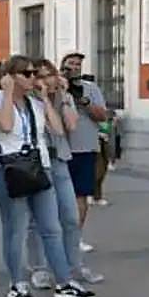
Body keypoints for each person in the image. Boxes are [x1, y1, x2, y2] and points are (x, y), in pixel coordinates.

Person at [0, 55, 96, 297]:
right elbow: (5, 124)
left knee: (52, 228)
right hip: (9, 170)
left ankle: (64, 282)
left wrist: (45, 98)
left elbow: (57, 129)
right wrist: (9, 93)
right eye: (27, 73)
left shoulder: (35, 103)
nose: (34, 77)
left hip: (39, 168)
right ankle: (17, 283)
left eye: (35, 73)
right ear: (10, 77)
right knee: (16, 229)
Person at [25, 59, 104, 290]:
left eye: (50, 75)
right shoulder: (29, 102)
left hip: (60, 158)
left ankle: (74, 265)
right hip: (36, 162)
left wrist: (65, 96)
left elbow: (70, 125)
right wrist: (42, 98)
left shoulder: (63, 96)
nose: (47, 80)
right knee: (37, 220)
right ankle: (39, 268)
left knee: (70, 218)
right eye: (40, 76)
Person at [60, 52, 107, 253]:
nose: (75, 67)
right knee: (60, 197)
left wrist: (85, 102)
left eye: (78, 64)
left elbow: (102, 116)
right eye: (71, 64)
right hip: (61, 150)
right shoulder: (55, 88)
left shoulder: (90, 88)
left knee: (81, 195)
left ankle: (75, 237)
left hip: (84, 148)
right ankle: (59, 236)